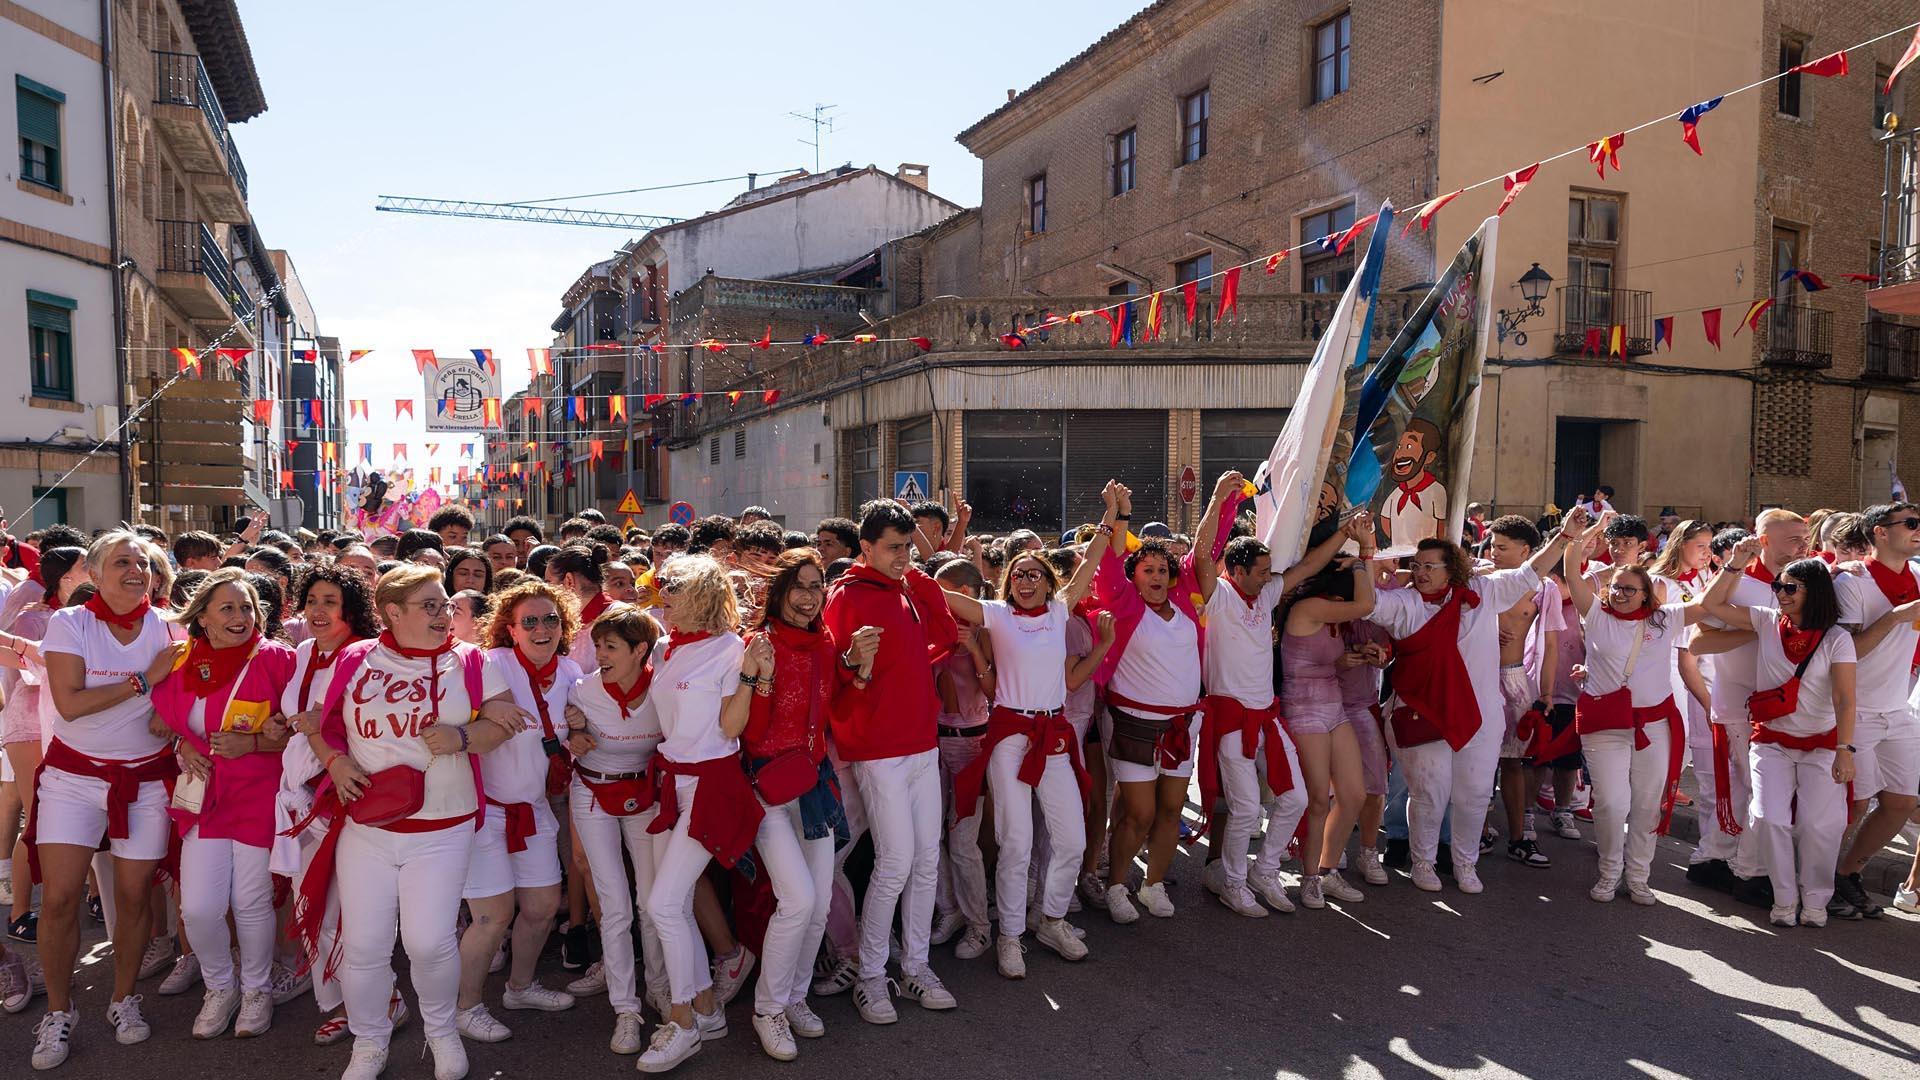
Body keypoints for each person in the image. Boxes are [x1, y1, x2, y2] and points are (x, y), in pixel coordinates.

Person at [295, 564, 527, 1080]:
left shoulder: (470, 660)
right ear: (392, 612)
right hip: (369, 830)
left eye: (445, 605)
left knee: (428, 942)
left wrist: (463, 738)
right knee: (365, 945)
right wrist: (336, 761)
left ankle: (441, 1032)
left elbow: (505, 721)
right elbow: (317, 726)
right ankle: (370, 1041)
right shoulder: (353, 658)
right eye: (430, 606)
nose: (443, 615)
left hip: (442, 829)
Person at [29, 531, 188, 1069]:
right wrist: (145, 681)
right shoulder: (69, 623)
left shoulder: (172, 627)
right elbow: (70, 706)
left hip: (145, 780)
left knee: (135, 894)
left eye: (143, 562)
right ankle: (58, 1011)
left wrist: (171, 712)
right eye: (121, 562)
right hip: (73, 778)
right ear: (94, 574)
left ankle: (124, 999)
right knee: (59, 898)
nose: (134, 570)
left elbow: (189, 695)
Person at [941, 490, 1107, 976]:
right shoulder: (996, 615)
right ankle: (1010, 937)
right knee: (1015, 843)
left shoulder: (1060, 612)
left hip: (1054, 735)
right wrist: (905, 568)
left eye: (1035, 573)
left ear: (1049, 583)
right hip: (1010, 737)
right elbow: (945, 596)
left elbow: (1090, 564)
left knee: (1071, 841)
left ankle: (1051, 918)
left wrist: (1110, 518)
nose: (1027, 580)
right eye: (1018, 574)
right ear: (1008, 583)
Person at [1364, 522, 1573, 893]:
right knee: (1430, 792)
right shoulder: (1407, 602)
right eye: (1417, 566)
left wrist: (1566, 536)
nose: (1421, 573)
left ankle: (1465, 864)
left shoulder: (1482, 591)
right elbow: (1370, 603)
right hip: (1424, 712)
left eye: (1431, 566)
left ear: (1453, 568)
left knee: (1475, 793)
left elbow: (1533, 571)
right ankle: (1423, 863)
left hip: (1481, 714)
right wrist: (1367, 553)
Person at [821, 500, 960, 1023]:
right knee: (896, 863)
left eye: (908, 547)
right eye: (893, 548)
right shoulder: (845, 596)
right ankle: (874, 977)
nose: (903, 556)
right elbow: (829, 671)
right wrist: (851, 660)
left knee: (926, 861)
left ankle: (916, 967)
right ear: (867, 548)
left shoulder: (905, 590)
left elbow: (944, 638)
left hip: (921, 744)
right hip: (877, 751)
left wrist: (919, 578)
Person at [155, 569, 298, 1038]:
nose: (240, 617)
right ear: (203, 618)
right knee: (198, 908)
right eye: (228, 608)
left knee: (251, 901)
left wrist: (255, 744)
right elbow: (171, 721)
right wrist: (184, 745)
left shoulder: (277, 658)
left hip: (260, 794)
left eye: (247, 607)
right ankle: (221, 987)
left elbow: (303, 732)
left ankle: (256, 989)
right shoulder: (181, 659)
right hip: (206, 798)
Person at [635, 555, 762, 1073]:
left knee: (664, 903)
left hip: (711, 787)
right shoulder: (666, 647)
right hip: (673, 782)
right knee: (670, 903)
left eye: (675, 590)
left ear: (704, 596)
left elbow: (731, 729)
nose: (663, 596)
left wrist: (752, 677)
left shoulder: (731, 649)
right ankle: (707, 1009)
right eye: (663, 588)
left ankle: (684, 1021)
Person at [1090, 478, 1232, 921]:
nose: (1155, 576)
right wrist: (1118, 514)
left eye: (1161, 570)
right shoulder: (1124, 602)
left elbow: (1206, 549)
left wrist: (1218, 501)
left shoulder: (1186, 603)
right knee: (1140, 811)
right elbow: (1107, 565)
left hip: (1182, 724)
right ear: (1134, 575)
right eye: (1146, 569)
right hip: (1133, 722)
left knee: (1171, 809)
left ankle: (1152, 885)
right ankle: (1116, 886)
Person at [1701, 540, 1856, 928]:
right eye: (1778, 587)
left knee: (1819, 825)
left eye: (1790, 588)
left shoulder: (1838, 638)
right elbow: (1712, 605)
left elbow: (1844, 698)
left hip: (1822, 745)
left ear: (1814, 592)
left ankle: (1816, 899)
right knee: (1768, 818)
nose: (1781, 594)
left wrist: (1844, 749)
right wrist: (1736, 564)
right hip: (1770, 741)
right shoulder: (1767, 620)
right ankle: (1785, 898)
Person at [455, 580, 583, 1045]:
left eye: (551, 618)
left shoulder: (571, 670)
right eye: (529, 620)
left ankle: (520, 987)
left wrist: (582, 727)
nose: (542, 628)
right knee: (493, 915)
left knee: (543, 906)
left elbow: (582, 716)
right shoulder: (490, 665)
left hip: (533, 809)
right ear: (509, 629)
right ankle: (466, 1007)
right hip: (485, 812)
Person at [738, 549, 848, 1058]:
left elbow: (834, 708)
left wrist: (857, 669)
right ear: (777, 594)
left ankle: (796, 996)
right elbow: (752, 734)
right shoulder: (758, 644)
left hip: (814, 784)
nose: (809, 596)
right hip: (766, 789)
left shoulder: (825, 642)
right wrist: (759, 676)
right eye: (799, 587)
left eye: (816, 585)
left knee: (820, 902)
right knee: (798, 900)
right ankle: (769, 1010)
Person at [273, 564, 387, 1046]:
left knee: (344, 911)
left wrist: (321, 725)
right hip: (297, 797)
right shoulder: (302, 651)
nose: (318, 611)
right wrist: (288, 725)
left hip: (340, 794)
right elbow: (295, 716)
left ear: (351, 610)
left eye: (331, 602)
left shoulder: (367, 656)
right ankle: (341, 1001)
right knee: (311, 908)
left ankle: (379, 1003)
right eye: (313, 600)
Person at [1558, 515, 1695, 904]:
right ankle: (1609, 871)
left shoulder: (1664, 619)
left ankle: (1638, 876)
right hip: (1606, 725)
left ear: (1647, 594)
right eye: (1617, 587)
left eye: (1630, 589)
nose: (1620, 593)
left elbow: (1712, 603)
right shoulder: (1597, 615)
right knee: (1613, 802)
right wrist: (1577, 535)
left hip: (1654, 726)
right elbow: (1570, 572)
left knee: (1647, 803)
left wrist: (1733, 566)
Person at [1694, 509, 1810, 908]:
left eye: (1804, 536)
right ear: (1763, 541)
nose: (1802, 543)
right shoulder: (1736, 582)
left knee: (1762, 793)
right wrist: (1759, 628)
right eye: (1793, 538)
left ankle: (1718, 859)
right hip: (1740, 704)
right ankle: (1744, 871)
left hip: (1786, 708)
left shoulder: (1804, 581)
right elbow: (1698, 641)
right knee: (1750, 792)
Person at [564, 606, 666, 1056]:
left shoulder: (663, 689)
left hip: (644, 797)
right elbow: (552, 731)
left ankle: (660, 989)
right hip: (591, 793)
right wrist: (573, 737)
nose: (599, 654)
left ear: (640, 649)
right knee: (615, 904)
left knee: (651, 903)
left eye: (610, 646)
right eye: (598, 645)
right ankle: (626, 1009)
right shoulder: (582, 690)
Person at [1265, 513, 1377, 909]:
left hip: (1334, 706)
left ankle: (1327, 871)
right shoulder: (1310, 606)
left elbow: (1323, 659)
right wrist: (1364, 555)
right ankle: (1309, 878)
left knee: (1353, 794)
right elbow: (1367, 603)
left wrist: (1354, 658)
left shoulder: (1326, 611)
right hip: (1305, 710)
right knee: (1317, 799)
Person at [1828, 503, 1920, 918]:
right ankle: (1816, 878)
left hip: (1898, 709)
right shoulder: (1852, 580)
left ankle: (1846, 874)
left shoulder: (1918, 575)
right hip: (1856, 710)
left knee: (1902, 803)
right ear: (1880, 532)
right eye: (1911, 524)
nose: (1918, 531)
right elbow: (1844, 652)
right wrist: (1895, 617)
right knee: (1855, 803)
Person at [1484, 515, 1565, 868]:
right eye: (1492, 545)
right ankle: (1480, 829)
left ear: (1526, 551)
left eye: (1502, 547)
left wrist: (1546, 693)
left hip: (1515, 679)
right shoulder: (1479, 578)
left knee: (1514, 761)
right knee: (1478, 762)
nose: (1493, 552)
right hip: (1478, 677)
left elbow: (1550, 641)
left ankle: (1519, 837)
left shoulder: (1545, 589)